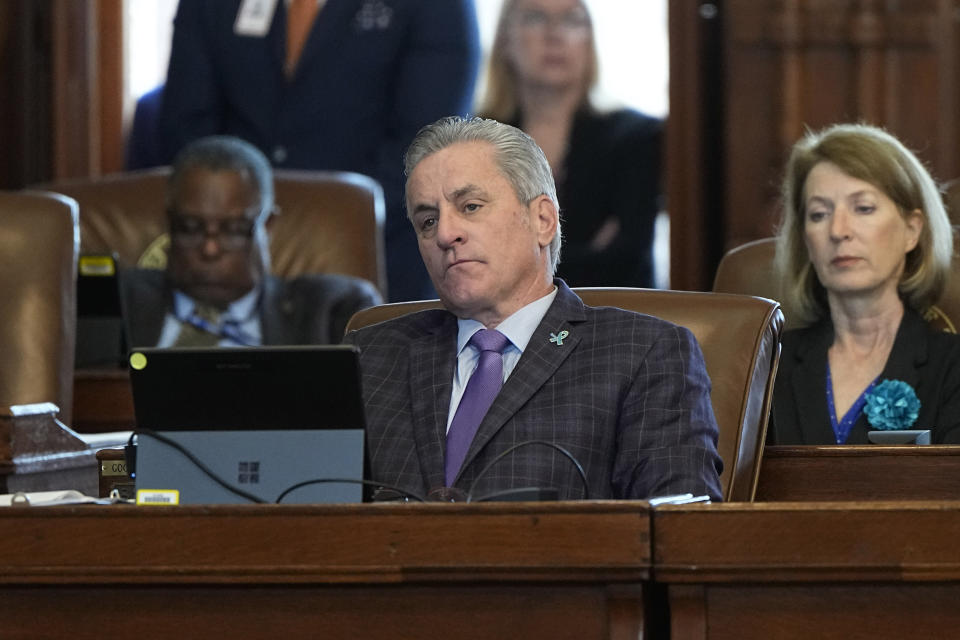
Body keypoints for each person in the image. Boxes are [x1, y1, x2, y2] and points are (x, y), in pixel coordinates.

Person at [344, 116, 722, 502]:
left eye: (471, 206)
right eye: (427, 221)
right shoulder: (370, 357)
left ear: (543, 220)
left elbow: (683, 534)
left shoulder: (643, 353)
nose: (444, 234)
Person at [157, 0, 481, 302]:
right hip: (221, 266)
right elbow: (186, 132)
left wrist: (306, 237)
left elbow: (426, 150)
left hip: (379, 271)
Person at [771, 123, 960, 444]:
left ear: (912, 230)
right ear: (805, 240)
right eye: (819, 214)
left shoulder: (952, 366)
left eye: (863, 208)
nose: (838, 230)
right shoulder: (768, 365)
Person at [121, 135, 382, 348]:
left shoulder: (334, 311)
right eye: (190, 228)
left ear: (267, 226)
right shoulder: (116, 303)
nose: (210, 249)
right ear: (169, 222)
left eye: (234, 230)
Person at [477, 0, 662, 287]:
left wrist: (511, 260)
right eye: (536, 18)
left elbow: (625, 263)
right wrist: (586, 255)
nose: (555, 35)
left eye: (572, 20)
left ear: (590, 40)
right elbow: (467, 258)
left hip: (613, 318)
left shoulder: (635, 137)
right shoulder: (476, 140)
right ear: (505, 40)